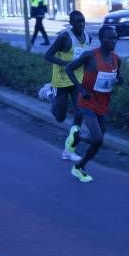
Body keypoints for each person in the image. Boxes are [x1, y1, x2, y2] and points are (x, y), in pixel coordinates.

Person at [62, 26, 122, 183]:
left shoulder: (116, 59)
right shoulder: (90, 56)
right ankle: (78, 138)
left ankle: (79, 165)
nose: (113, 41)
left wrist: (119, 79)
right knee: (98, 139)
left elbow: (117, 76)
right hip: (87, 103)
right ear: (102, 39)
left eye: (115, 38)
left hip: (103, 105)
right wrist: (80, 89)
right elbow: (69, 68)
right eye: (110, 38)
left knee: (98, 141)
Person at [40, 11, 93, 161]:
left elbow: (87, 59)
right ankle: (49, 93)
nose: (81, 24)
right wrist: (66, 64)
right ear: (71, 23)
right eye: (77, 21)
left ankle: (69, 149)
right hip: (62, 80)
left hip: (78, 81)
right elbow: (47, 55)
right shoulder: (64, 37)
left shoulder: (88, 38)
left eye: (82, 21)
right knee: (60, 118)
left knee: (79, 112)